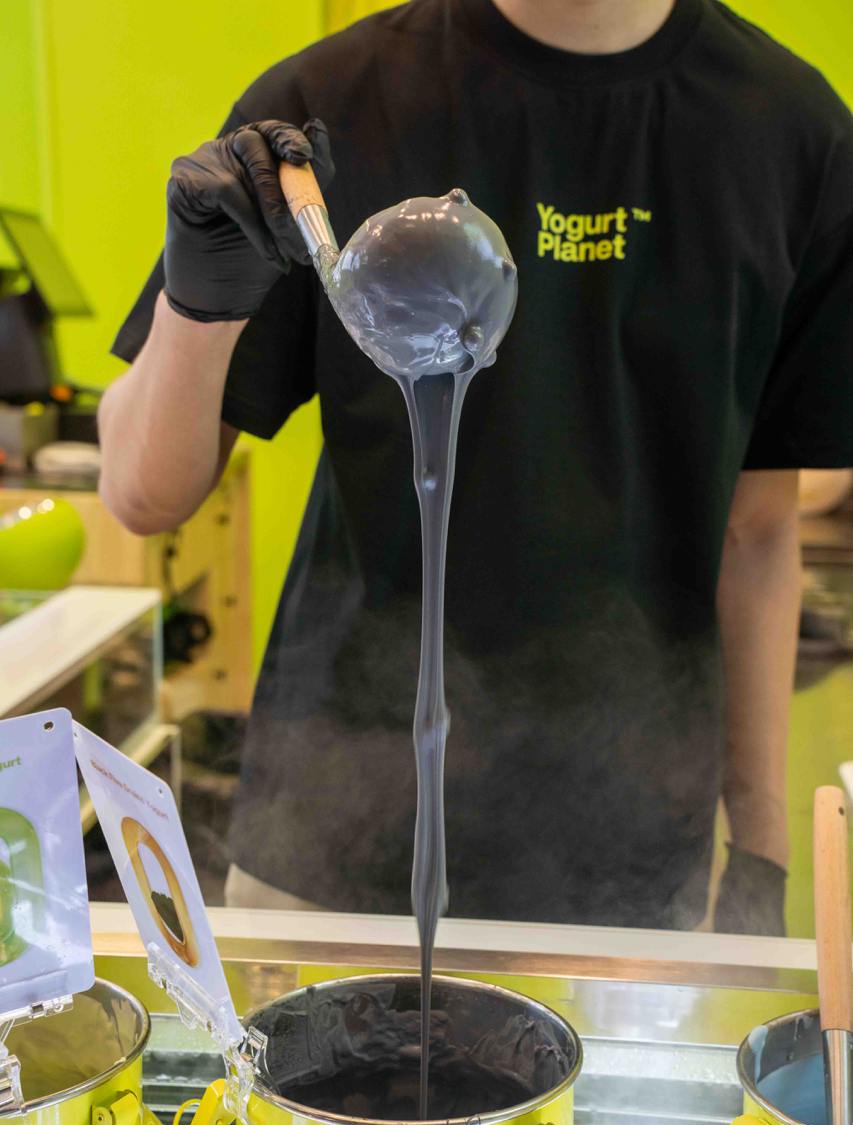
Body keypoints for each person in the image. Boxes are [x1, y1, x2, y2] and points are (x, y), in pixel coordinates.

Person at [99, 0, 853, 934]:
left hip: (632, 862)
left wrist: (762, 852)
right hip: (331, 838)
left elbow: (759, 531)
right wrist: (197, 301)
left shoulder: (789, 131)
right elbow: (141, 493)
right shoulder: (330, 107)